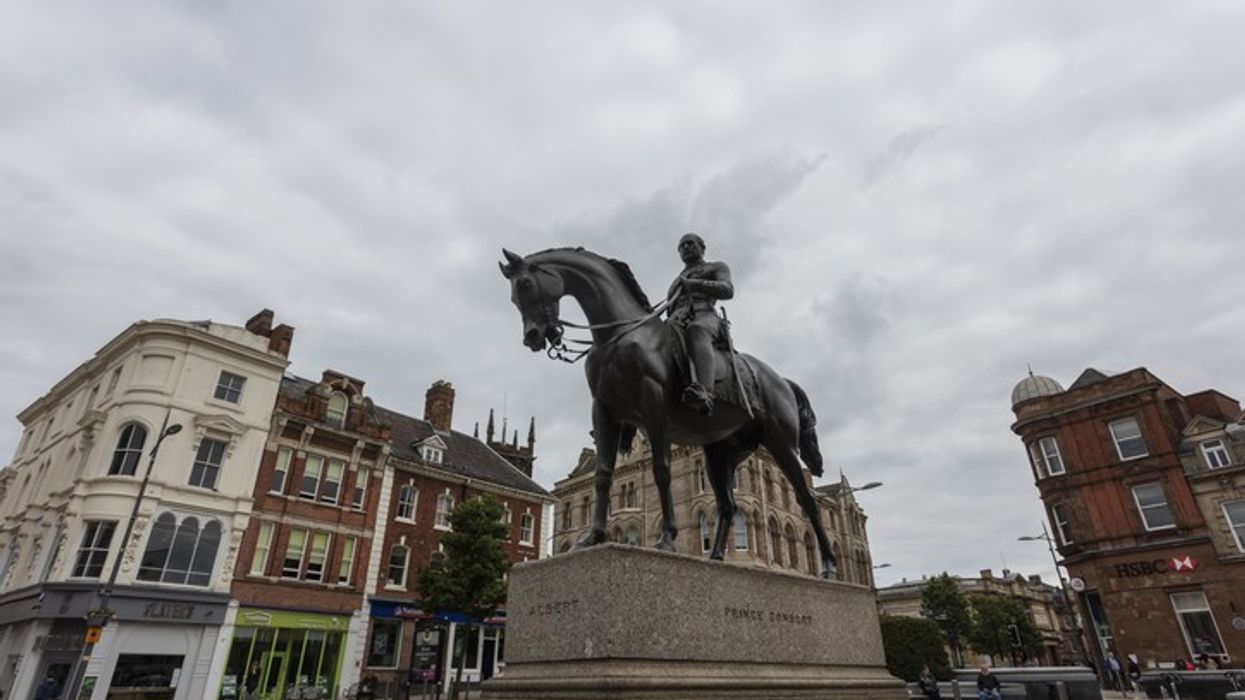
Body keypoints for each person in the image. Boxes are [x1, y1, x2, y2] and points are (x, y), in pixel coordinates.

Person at [665, 232, 734, 415]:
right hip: (677, 319)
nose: (685, 248)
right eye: (681, 246)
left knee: (697, 330)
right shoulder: (675, 282)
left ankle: (705, 392)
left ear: (702, 247)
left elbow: (727, 290)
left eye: (690, 243)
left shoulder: (716, 267)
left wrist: (696, 285)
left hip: (704, 315)